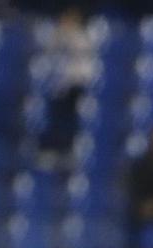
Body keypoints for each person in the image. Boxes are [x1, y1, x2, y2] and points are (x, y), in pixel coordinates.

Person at [37, 8, 97, 169]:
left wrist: (66, 35)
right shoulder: (59, 36)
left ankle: (68, 150)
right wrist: (59, 34)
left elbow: (79, 52)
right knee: (55, 117)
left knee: (69, 118)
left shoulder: (82, 37)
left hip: (77, 84)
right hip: (60, 85)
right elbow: (48, 49)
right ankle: (52, 149)